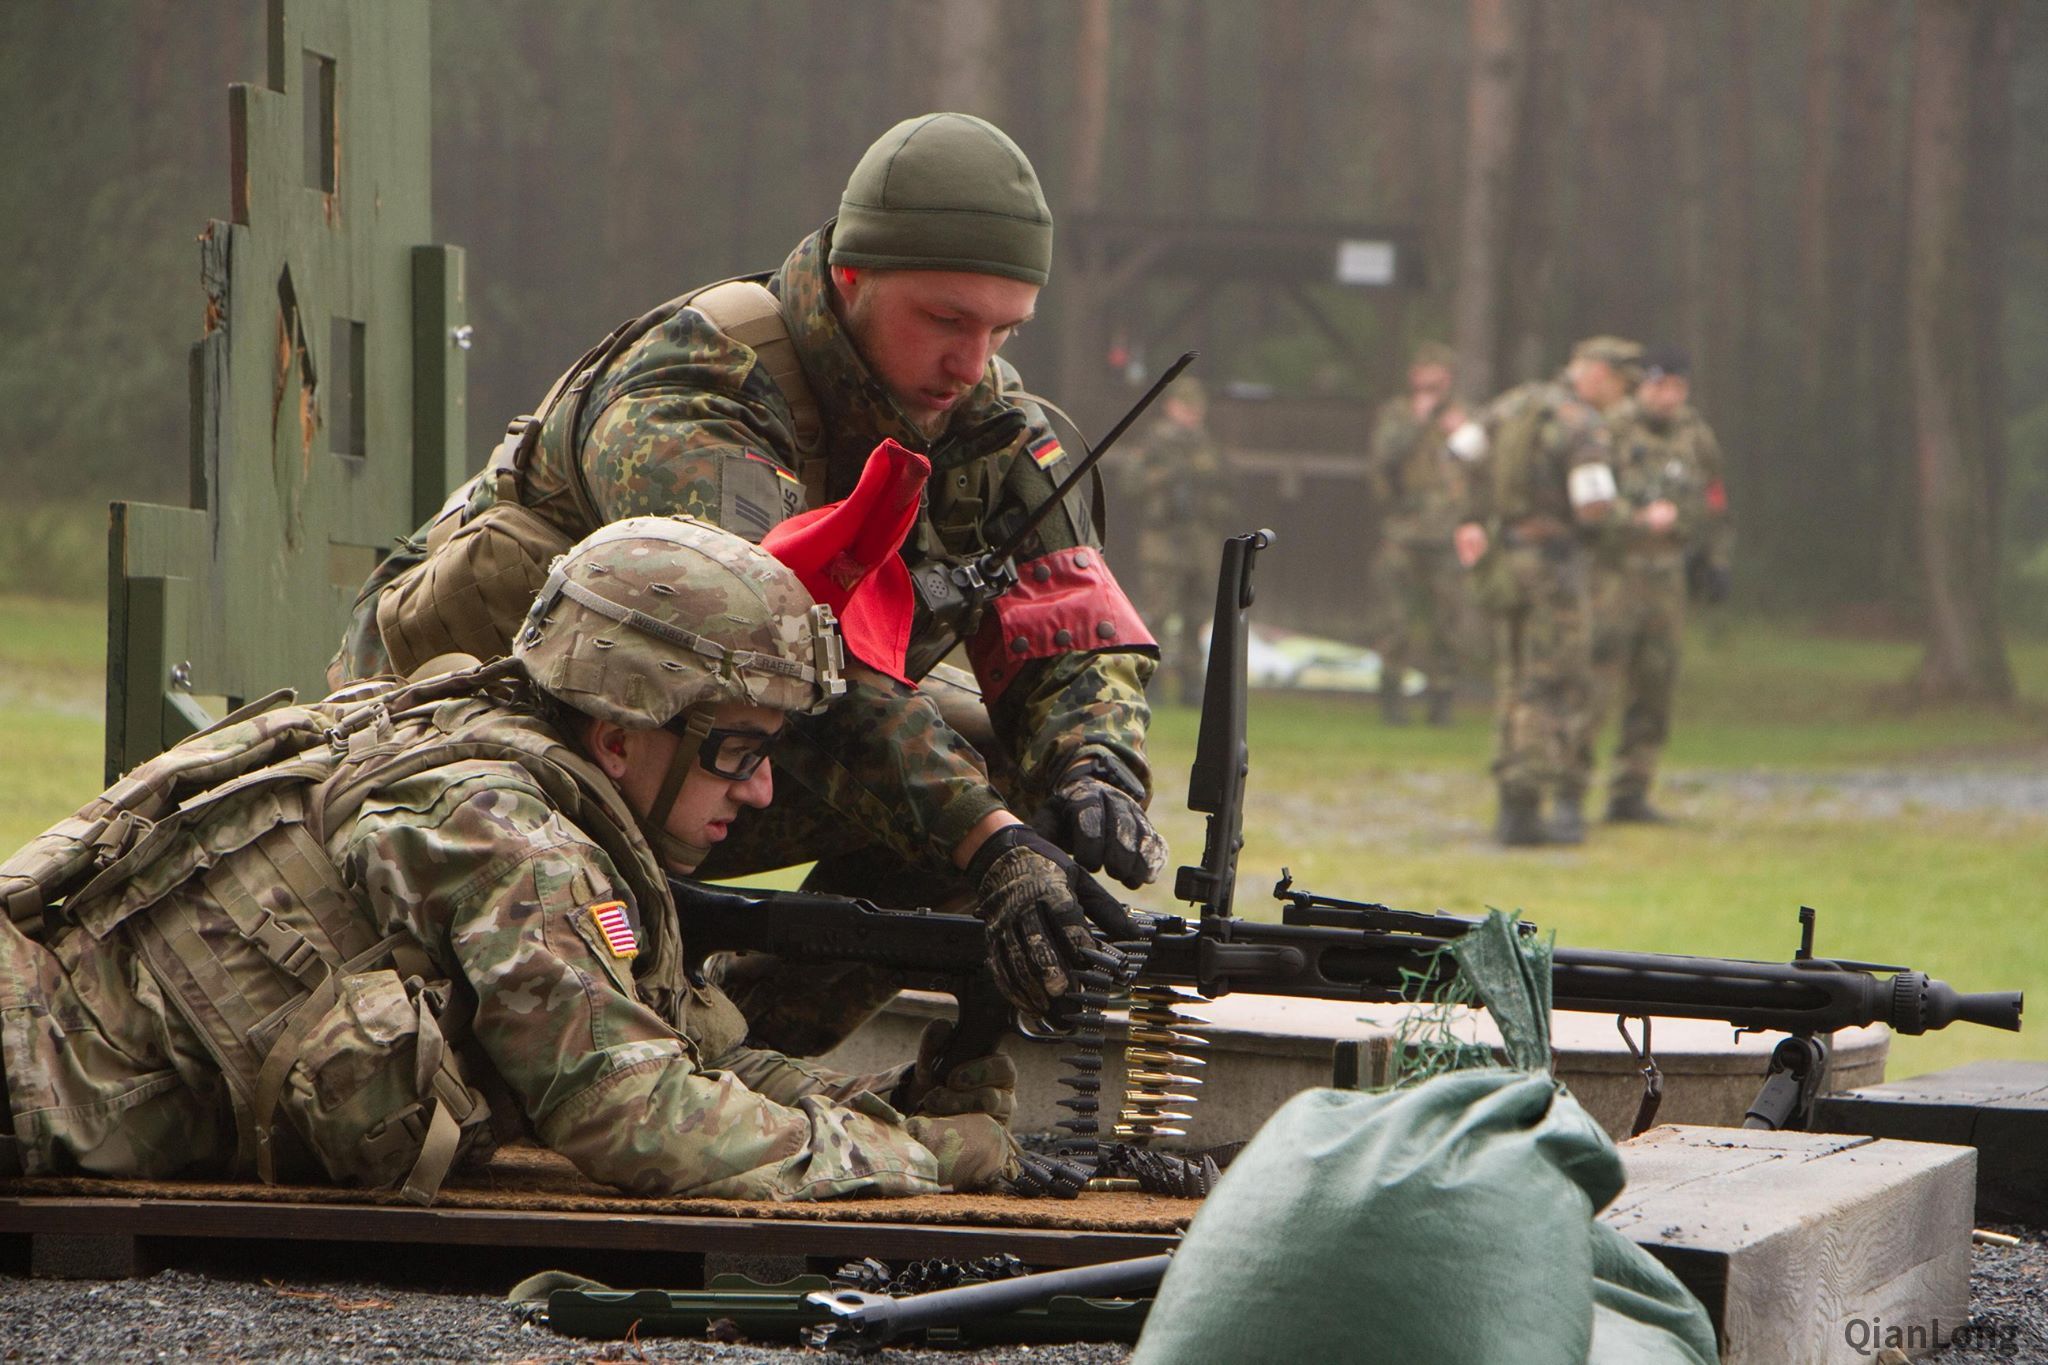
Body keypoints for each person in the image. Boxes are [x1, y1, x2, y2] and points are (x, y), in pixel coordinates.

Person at [329, 113, 1162, 1052]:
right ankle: (615, 1054)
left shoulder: (990, 425)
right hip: (492, 735)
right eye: (946, 321)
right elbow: (759, 645)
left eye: (1004, 329)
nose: (973, 365)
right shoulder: (698, 386)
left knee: (1002, 775)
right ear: (853, 276)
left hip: (694, 744)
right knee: (966, 808)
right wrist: (987, 837)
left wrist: (1094, 773)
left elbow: (1067, 626)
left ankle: (743, 1052)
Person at [0, 510, 1035, 1201]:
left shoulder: (471, 742)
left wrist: (900, 1101)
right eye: (737, 751)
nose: (760, 792)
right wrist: (928, 1155)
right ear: (620, 735)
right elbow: (642, 1118)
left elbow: (679, 1055)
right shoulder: (518, 843)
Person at [1458, 337, 1635, 846]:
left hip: (1508, 559)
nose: (1622, 397)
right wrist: (1637, 522)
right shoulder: (1583, 425)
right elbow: (1593, 509)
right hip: (1556, 569)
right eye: (1621, 384)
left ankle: (1512, 802)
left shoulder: (1514, 405)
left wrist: (1470, 519)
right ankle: (1534, 804)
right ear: (1597, 374)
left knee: (1514, 677)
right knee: (1556, 681)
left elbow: (1458, 454)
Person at [1588, 347, 1733, 822]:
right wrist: (1636, 519)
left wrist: (1715, 560)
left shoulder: (1695, 437)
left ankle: (1632, 788)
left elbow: (1713, 500)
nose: (1668, 397)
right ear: (1642, 386)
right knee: (1596, 679)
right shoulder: (1610, 430)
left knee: (1656, 682)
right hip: (1616, 570)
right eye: (1659, 386)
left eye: (1677, 388)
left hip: (1668, 573)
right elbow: (1589, 498)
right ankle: (1569, 785)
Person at [1364, 343, 1483, 726]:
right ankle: (1391, 697)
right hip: (1404, 532)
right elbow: (1384, 458)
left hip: (1448, 533)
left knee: (1447, 623)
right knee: (1394, 621)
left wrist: (1461, 432)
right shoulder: (1398, 414)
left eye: (1438, 378)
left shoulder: (1466, 415)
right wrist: (1416, 421)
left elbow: (1484, 464)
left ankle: (1441, 700)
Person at [1116, 376, 1231, 704]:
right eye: (1185, 407)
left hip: (1200, 541)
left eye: (1196, 408)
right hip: (1163, 541)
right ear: (1170, 407)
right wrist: (1165, 478)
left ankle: (1192, 684)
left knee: (1197, 615)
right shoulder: (1154, 444)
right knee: (1158, 613)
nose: (1191, 414)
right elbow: (1130, 484)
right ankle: (1152, 680)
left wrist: (1213, 505)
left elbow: (1225, 488)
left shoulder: (1208, 446)